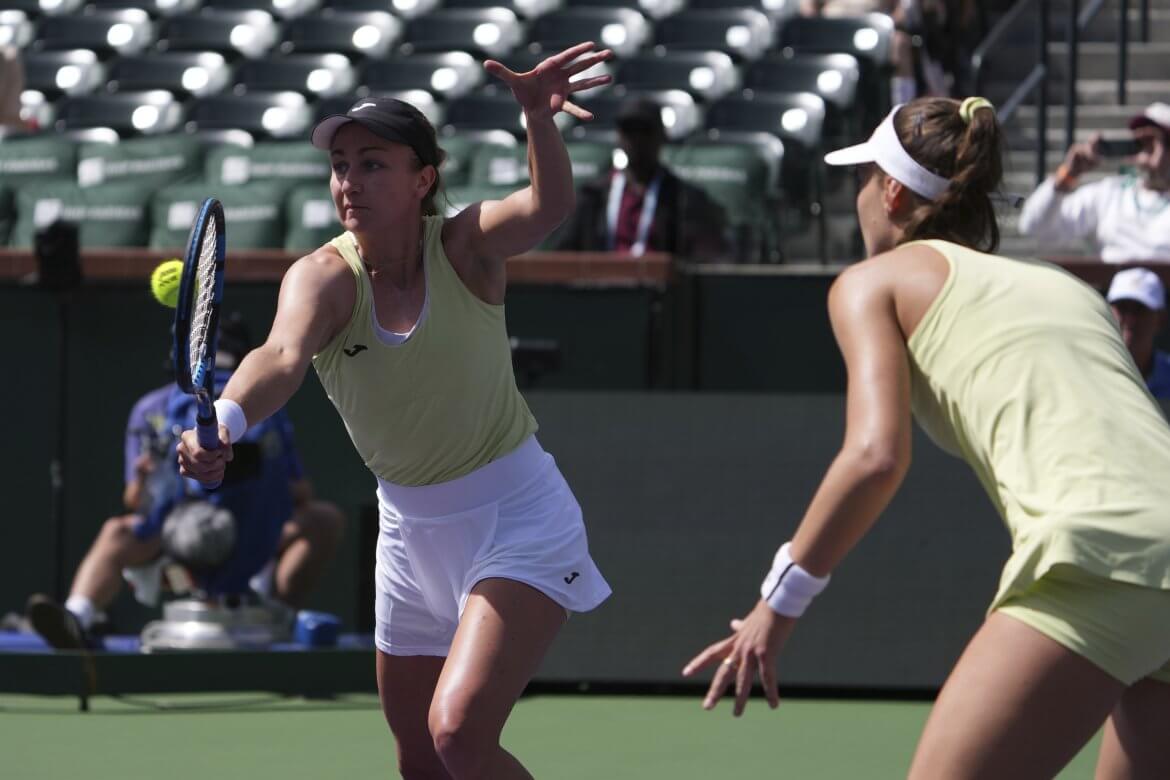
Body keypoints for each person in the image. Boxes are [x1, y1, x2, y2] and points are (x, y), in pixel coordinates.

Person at [683, 96, 1170, 779]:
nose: (857, 198)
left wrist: (778, 602)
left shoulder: (870, 282)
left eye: (862, 179)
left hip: (1098, 555)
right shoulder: (1067, 288)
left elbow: (875, 456)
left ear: (891, 191)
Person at [176, 43, 613, 780]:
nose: (350, 180)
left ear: (423, 179)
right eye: (341, 164)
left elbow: (548, 208)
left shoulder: (467, 247)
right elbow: (280, 360)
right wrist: (225, 416)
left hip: (517, 515)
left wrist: (538, 119)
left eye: (373, 163)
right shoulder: (322, 277)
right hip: (410, 533)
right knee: (419, 761)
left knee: (458, 735)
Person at [26, 316, 345, 649]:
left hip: (252, 534)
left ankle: (275, 611)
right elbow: (134, 500)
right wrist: (156, 477)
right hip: (171, 539)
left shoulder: (264, 410)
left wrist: (250, 477)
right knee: (116, 531)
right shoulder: (150, 410)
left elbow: (299, 494)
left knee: (323, 519)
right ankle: (76, 618)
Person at [554, 98, 728, 259]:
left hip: (660, 288)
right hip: (602, 287)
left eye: (645, 130)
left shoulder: (684, 199)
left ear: (662, 136)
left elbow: (705, 256)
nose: (636, 139)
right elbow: (565, 254)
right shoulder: (593, 196)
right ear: (619, 137)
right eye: (628, 130)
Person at [1018, 102, 1170, 263]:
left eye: (1160, 143)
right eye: (1141, 142)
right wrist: (1067, 176)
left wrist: (1161, 170)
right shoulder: (1110, 192)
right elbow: (1034, 227)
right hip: (1110, 285)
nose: (1149, 150)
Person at [1106, 267, 1170, 399]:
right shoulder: (1087, 371)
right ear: (1107, 313)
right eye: (1122, 307)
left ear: (1161, 319)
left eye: (1140, 309)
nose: (1130, 319)